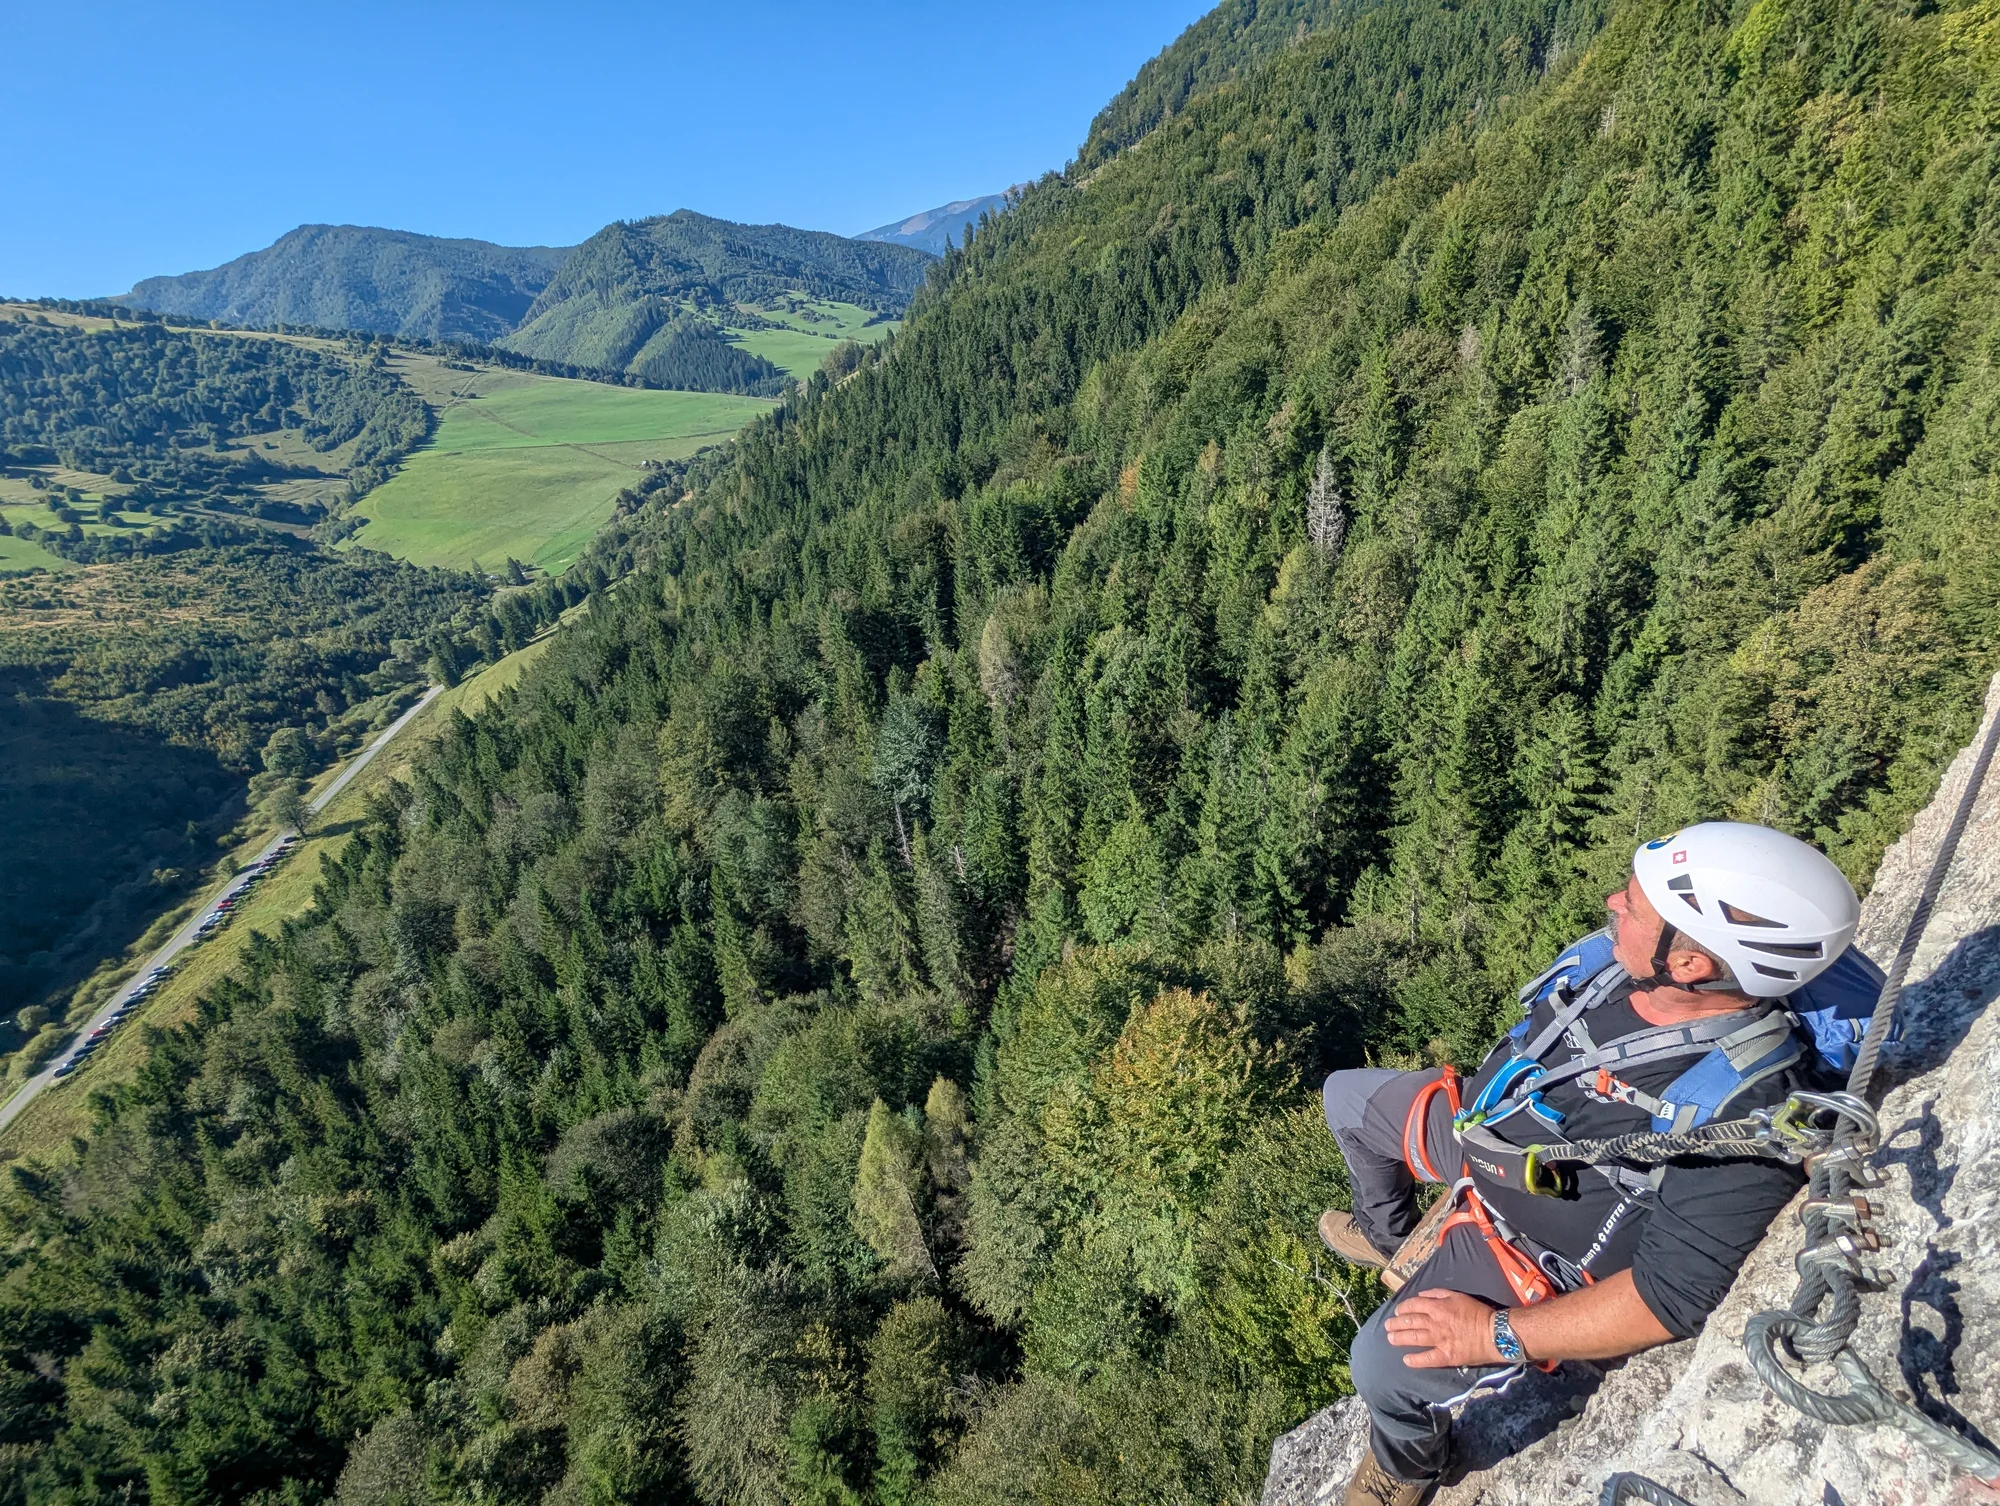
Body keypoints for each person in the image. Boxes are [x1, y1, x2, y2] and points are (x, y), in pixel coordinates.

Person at [1318, 823, 1863, 1506]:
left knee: (1379, 1366)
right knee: (1346, 1098)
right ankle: (1391, 1239)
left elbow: (1669, 1297)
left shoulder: (1739, 1110)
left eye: (1632, 906)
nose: (1612, 903)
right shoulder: (1617, 968)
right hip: (1489, 1137)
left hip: (1526, 1250)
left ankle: (1407, 1463)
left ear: (1690, 965)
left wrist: (1493, 1333)